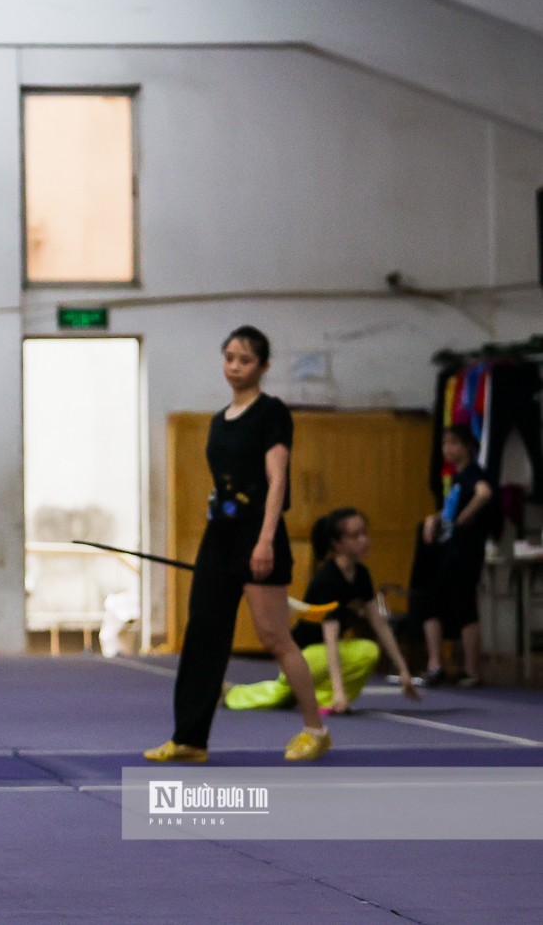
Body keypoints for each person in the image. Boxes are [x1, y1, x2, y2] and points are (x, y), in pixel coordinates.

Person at [146, 326, 330, 764]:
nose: (234, 366)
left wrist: (265, 540)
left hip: (257, 533)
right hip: (219, 537)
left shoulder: (272, 414)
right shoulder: (217, 420)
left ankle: (315, 729)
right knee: (203, 635)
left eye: (245, 360)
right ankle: (189, 738)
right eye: (229, 357)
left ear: (263, 366)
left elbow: (276, 480)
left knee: (274, 636)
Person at [225, 508, 421, 714]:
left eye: (365, 533)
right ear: (337, 544)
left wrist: (403, 670)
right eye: (355, 536)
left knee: (368, 651)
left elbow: (379, 623)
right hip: (301, 654)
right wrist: (338, 689)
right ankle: (233, 694)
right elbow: (330, 639)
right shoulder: (328, 579)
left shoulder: (361, 575)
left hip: (321, 656)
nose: (364, 540)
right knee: (282, 694)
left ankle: (323, 699)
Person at [412, 427, 495, 687]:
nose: (448, 449)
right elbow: (449, 510)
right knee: (432, 601)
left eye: (454, 444)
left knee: (464, 605)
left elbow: (484, 493)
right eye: (445, 444)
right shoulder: (455, 478)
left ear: (468, 447)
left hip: (465, 550)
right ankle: (435, 664)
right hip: (448, 549)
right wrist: (433, 519)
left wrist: (467, 515)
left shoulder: (473, 474)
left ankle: (472, 669)